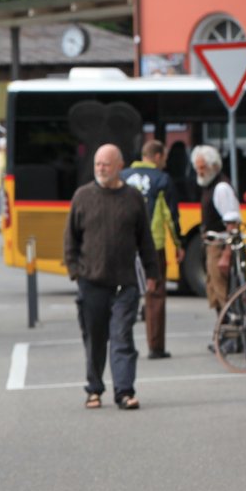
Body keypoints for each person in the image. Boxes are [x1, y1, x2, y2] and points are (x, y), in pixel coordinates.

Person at [64, 144, 157, 410]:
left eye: (106, 164)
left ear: (119, 166)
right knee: (94, 339)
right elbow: (70, 238)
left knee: (122, 337)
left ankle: (124, 392)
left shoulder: (133, 197)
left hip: (125, 283)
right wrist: (75, 271)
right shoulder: (82, 196)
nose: (101, 169)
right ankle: (94, 389)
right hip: (91, 282)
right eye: (97, 164)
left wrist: (152, 273)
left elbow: (145, 239)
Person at [122, 140, 187, 360]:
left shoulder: (122, 177)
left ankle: (123, 343)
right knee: (155, 295)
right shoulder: (162, 180)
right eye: (165, 157)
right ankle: (155, 346)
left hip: (125, 245)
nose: (166, 162)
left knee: (124, 294)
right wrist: (178, 244)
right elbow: (171, 215)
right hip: (152, 246)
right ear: (157, 156)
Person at [192, 144, 242, 339]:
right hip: (213, 245)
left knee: (223, 292)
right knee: (214, 290)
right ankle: (225, 333)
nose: (199, 172)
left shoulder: (221, 188)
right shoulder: (209, 185)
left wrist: (226, 254)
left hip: (220, 246)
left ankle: (232, 336)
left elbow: (232, 223)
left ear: (214, 166)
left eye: (202, 167)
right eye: (197, 167)